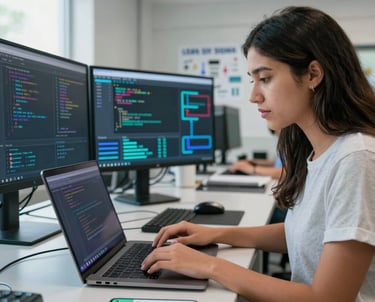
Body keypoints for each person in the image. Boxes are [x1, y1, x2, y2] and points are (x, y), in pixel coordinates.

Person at [142, 6, 375, 301]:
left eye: (264, 78)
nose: (254, 95)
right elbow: (303, 233)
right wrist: (214, 234)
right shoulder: (319, 152)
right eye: (253, 80)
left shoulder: (356, 158)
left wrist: (210, 266)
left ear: (313, 74)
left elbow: (327, 298)